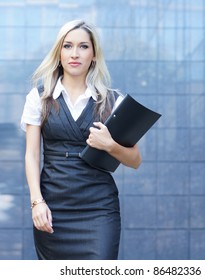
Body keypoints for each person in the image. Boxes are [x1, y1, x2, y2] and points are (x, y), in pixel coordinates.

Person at [21, 19, 142, 260]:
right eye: (67, 46)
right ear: (59, 52)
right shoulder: (39, 98)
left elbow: (135, 160)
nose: (75, 54)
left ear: (94, 54)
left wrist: (110, 145)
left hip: (99, 208)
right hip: (53, 207)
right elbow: (32, 155)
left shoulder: (112, 101)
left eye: (83, 46)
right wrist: (37, 202)